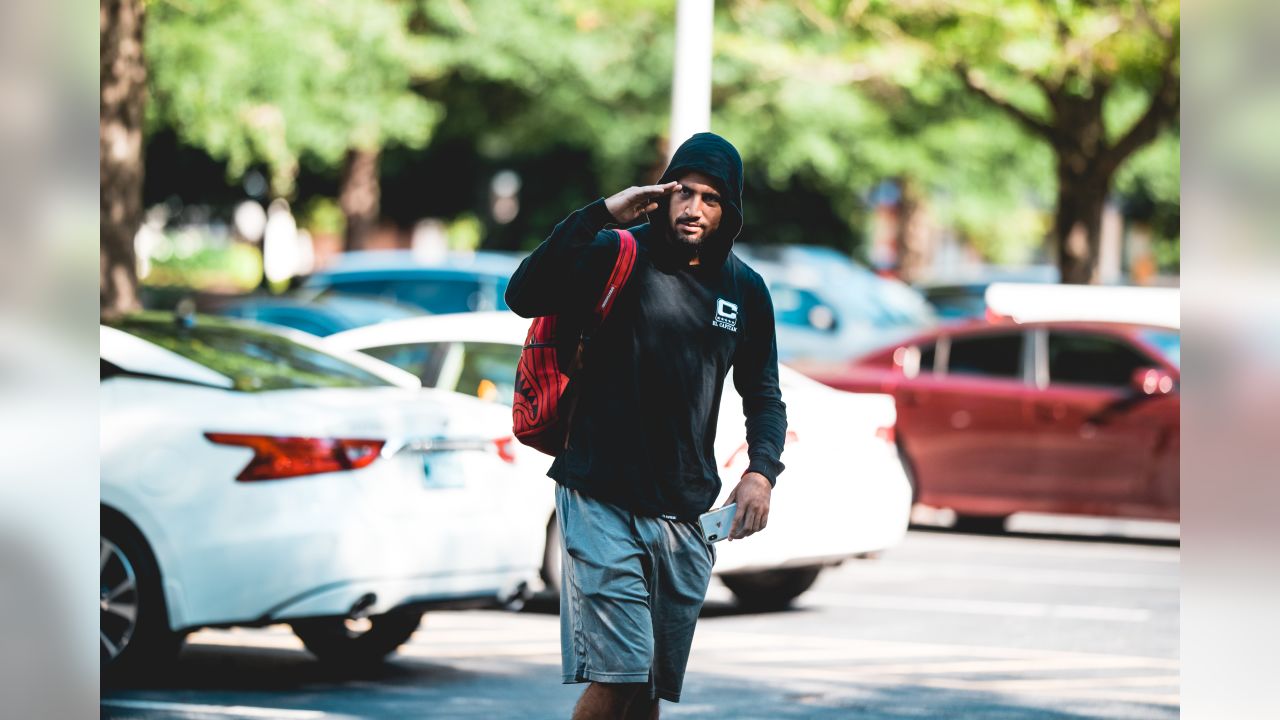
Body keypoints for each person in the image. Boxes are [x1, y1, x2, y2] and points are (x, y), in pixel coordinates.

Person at [505, 132, 787, 720]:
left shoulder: (745, 290)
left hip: (684, 507)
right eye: (685, 192)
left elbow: (763, 395)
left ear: (729, 211)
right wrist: (602, 212)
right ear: (665, 190)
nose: (694, 209)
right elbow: (524, 294)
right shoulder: (616, 251)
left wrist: (761, 473)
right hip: (600, 490)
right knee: (623, 669)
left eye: (712, 199)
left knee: (648, 683)